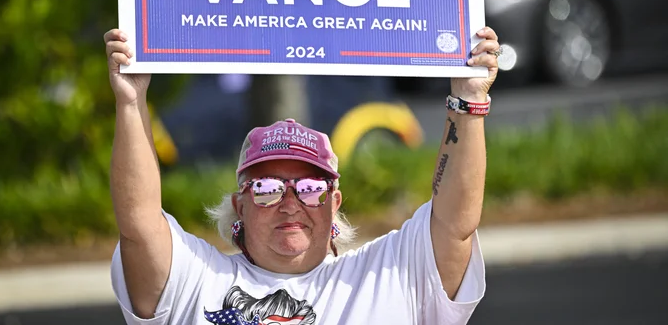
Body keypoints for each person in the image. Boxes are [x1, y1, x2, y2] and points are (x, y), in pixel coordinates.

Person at [104, 26, 501, 324]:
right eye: (267, 188)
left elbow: (455, 225)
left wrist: (469, 100)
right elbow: (139, 223)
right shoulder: (197, 278)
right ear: (239, 204)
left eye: (312, 188)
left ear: (335, 201)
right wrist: (130, 101)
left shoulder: (389, 273)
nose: (291, 203)